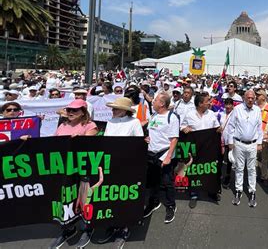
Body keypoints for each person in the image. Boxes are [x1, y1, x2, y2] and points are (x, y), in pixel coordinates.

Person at [49, 100, 98, 249]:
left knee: (83, 200)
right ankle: (68, 228)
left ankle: (87, 229)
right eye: (69, 109)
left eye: (75, 110)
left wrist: (80, 139)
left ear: (83, 112)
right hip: (63, 169)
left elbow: (91, 145)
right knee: (65, 198)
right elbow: (50, 144)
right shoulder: (62, 125)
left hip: (82, 171)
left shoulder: (90, 126)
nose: (70, 112)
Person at [97, 98, 143, 246]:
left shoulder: (134, 122)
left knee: (124, 195)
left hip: (127, 165)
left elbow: (139, 143)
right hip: (111, 163)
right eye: (113, 108)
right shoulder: (111, 121)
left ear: (125, 110)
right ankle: (112, 224)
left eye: (116, 108)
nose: (113, 110)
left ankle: (124, 228)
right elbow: (105, 142)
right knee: (111, 194)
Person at [181, 92, 221, 208]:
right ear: (200, 104)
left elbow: (216, 128)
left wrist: (219, 130)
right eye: (207, 101)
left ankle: (211, 191)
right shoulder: (189, 115)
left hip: (209, 149)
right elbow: (181, 126)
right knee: (195, 170)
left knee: (210, 169)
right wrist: (184, 128)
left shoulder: (212, 114)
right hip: (195, 149)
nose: (210, 103)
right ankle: (194, 193)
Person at [143, 92, 179, 224]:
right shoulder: (154, 115)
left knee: (167, 182)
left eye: (156, 100)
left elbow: (174, 138)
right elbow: (153, 132)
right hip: (151, 154)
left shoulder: (172, 117)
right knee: (153, 181)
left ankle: (171, 206)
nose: (153, 101)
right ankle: (154, 202)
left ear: (162, 103)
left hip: (164, 155)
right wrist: (147, 138)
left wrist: (168, 157)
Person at [227, 90, 262, 207]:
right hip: (239, 143)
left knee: (252, 169)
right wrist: (230, 142)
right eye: (248, 98)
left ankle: (252, 191)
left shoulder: (257, 110)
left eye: (253, 98)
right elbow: (231, 126)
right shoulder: (237, 109)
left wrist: (260, 143)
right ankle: (238, 190)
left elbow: (259, 128)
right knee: (239, 168)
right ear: (244, 98)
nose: (250, 100)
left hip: (252, 144)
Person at [256, 89, 268, 186]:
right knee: (253, 158)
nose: (256, 96)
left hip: (264, 138)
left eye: (258, 95)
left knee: (264, 159)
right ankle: (253, 174)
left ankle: (264, 176)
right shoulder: (254, 106)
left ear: (263, 97)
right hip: (254, 137)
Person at [221, 98, 235, 189]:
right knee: (220, 157)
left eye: (230, 104)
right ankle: (220, 174)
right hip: (221, 140)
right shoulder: (221, 113)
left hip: (231, 140)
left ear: (232, 105)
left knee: (229, 160)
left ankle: (228, 176)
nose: (228, 106)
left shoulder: (235, 114)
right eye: (226, 104)